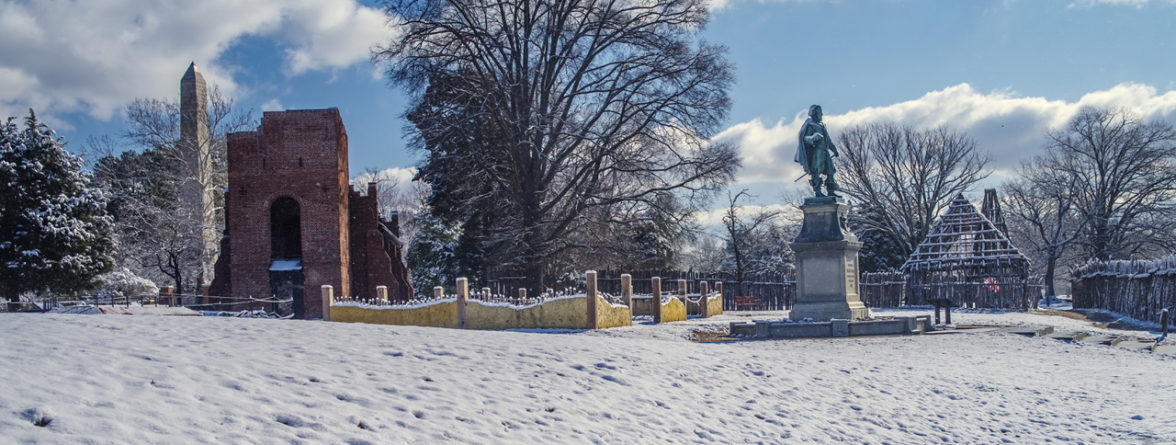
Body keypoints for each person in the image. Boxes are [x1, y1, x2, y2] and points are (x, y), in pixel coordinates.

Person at [794, 104, 840, 198]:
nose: (822, 114)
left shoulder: (821, 126)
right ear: (815, 113)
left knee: (830, 170)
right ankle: (818, 191)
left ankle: (830, 191)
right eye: (820, 112)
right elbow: (805, 138)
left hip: (825, 151)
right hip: (817, 152)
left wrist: (834, 150)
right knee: (816, 171)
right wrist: (813, 138)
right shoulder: (810, 124)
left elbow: (828, 140)